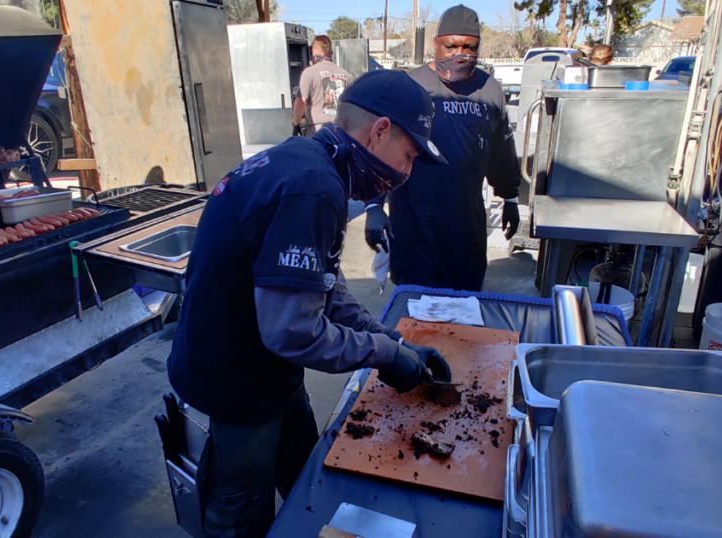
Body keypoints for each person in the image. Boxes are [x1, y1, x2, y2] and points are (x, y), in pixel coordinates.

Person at [168, 70, 451, 538]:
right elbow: (292, 330)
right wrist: (384, 356)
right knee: (242, 516)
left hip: (272, 371)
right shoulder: (313, 186)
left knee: (307, 481)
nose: (406, 173)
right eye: (409, 156)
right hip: (235, 382)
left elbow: (325, 285)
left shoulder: (311, 162)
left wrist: (391, 339)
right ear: (380, 131)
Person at [364, 4, 522, 292]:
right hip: (415, 221)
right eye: (451, 46)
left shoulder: (490, 90)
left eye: (469, 47)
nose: (460, 54)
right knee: (415, 306)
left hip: (466, 226)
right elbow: (380, 150)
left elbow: (502, 150)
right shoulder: (410, 87)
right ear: (435, 44)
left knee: (464, 306)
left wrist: (510, 197)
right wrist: (374, 204)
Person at [293, 35, 354, 135]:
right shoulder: (347, 75)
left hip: (318, 134)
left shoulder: (309, 73)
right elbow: (352, 105)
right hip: (341, 133)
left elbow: (301, 101)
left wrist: (296, 124)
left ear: (314, 52)